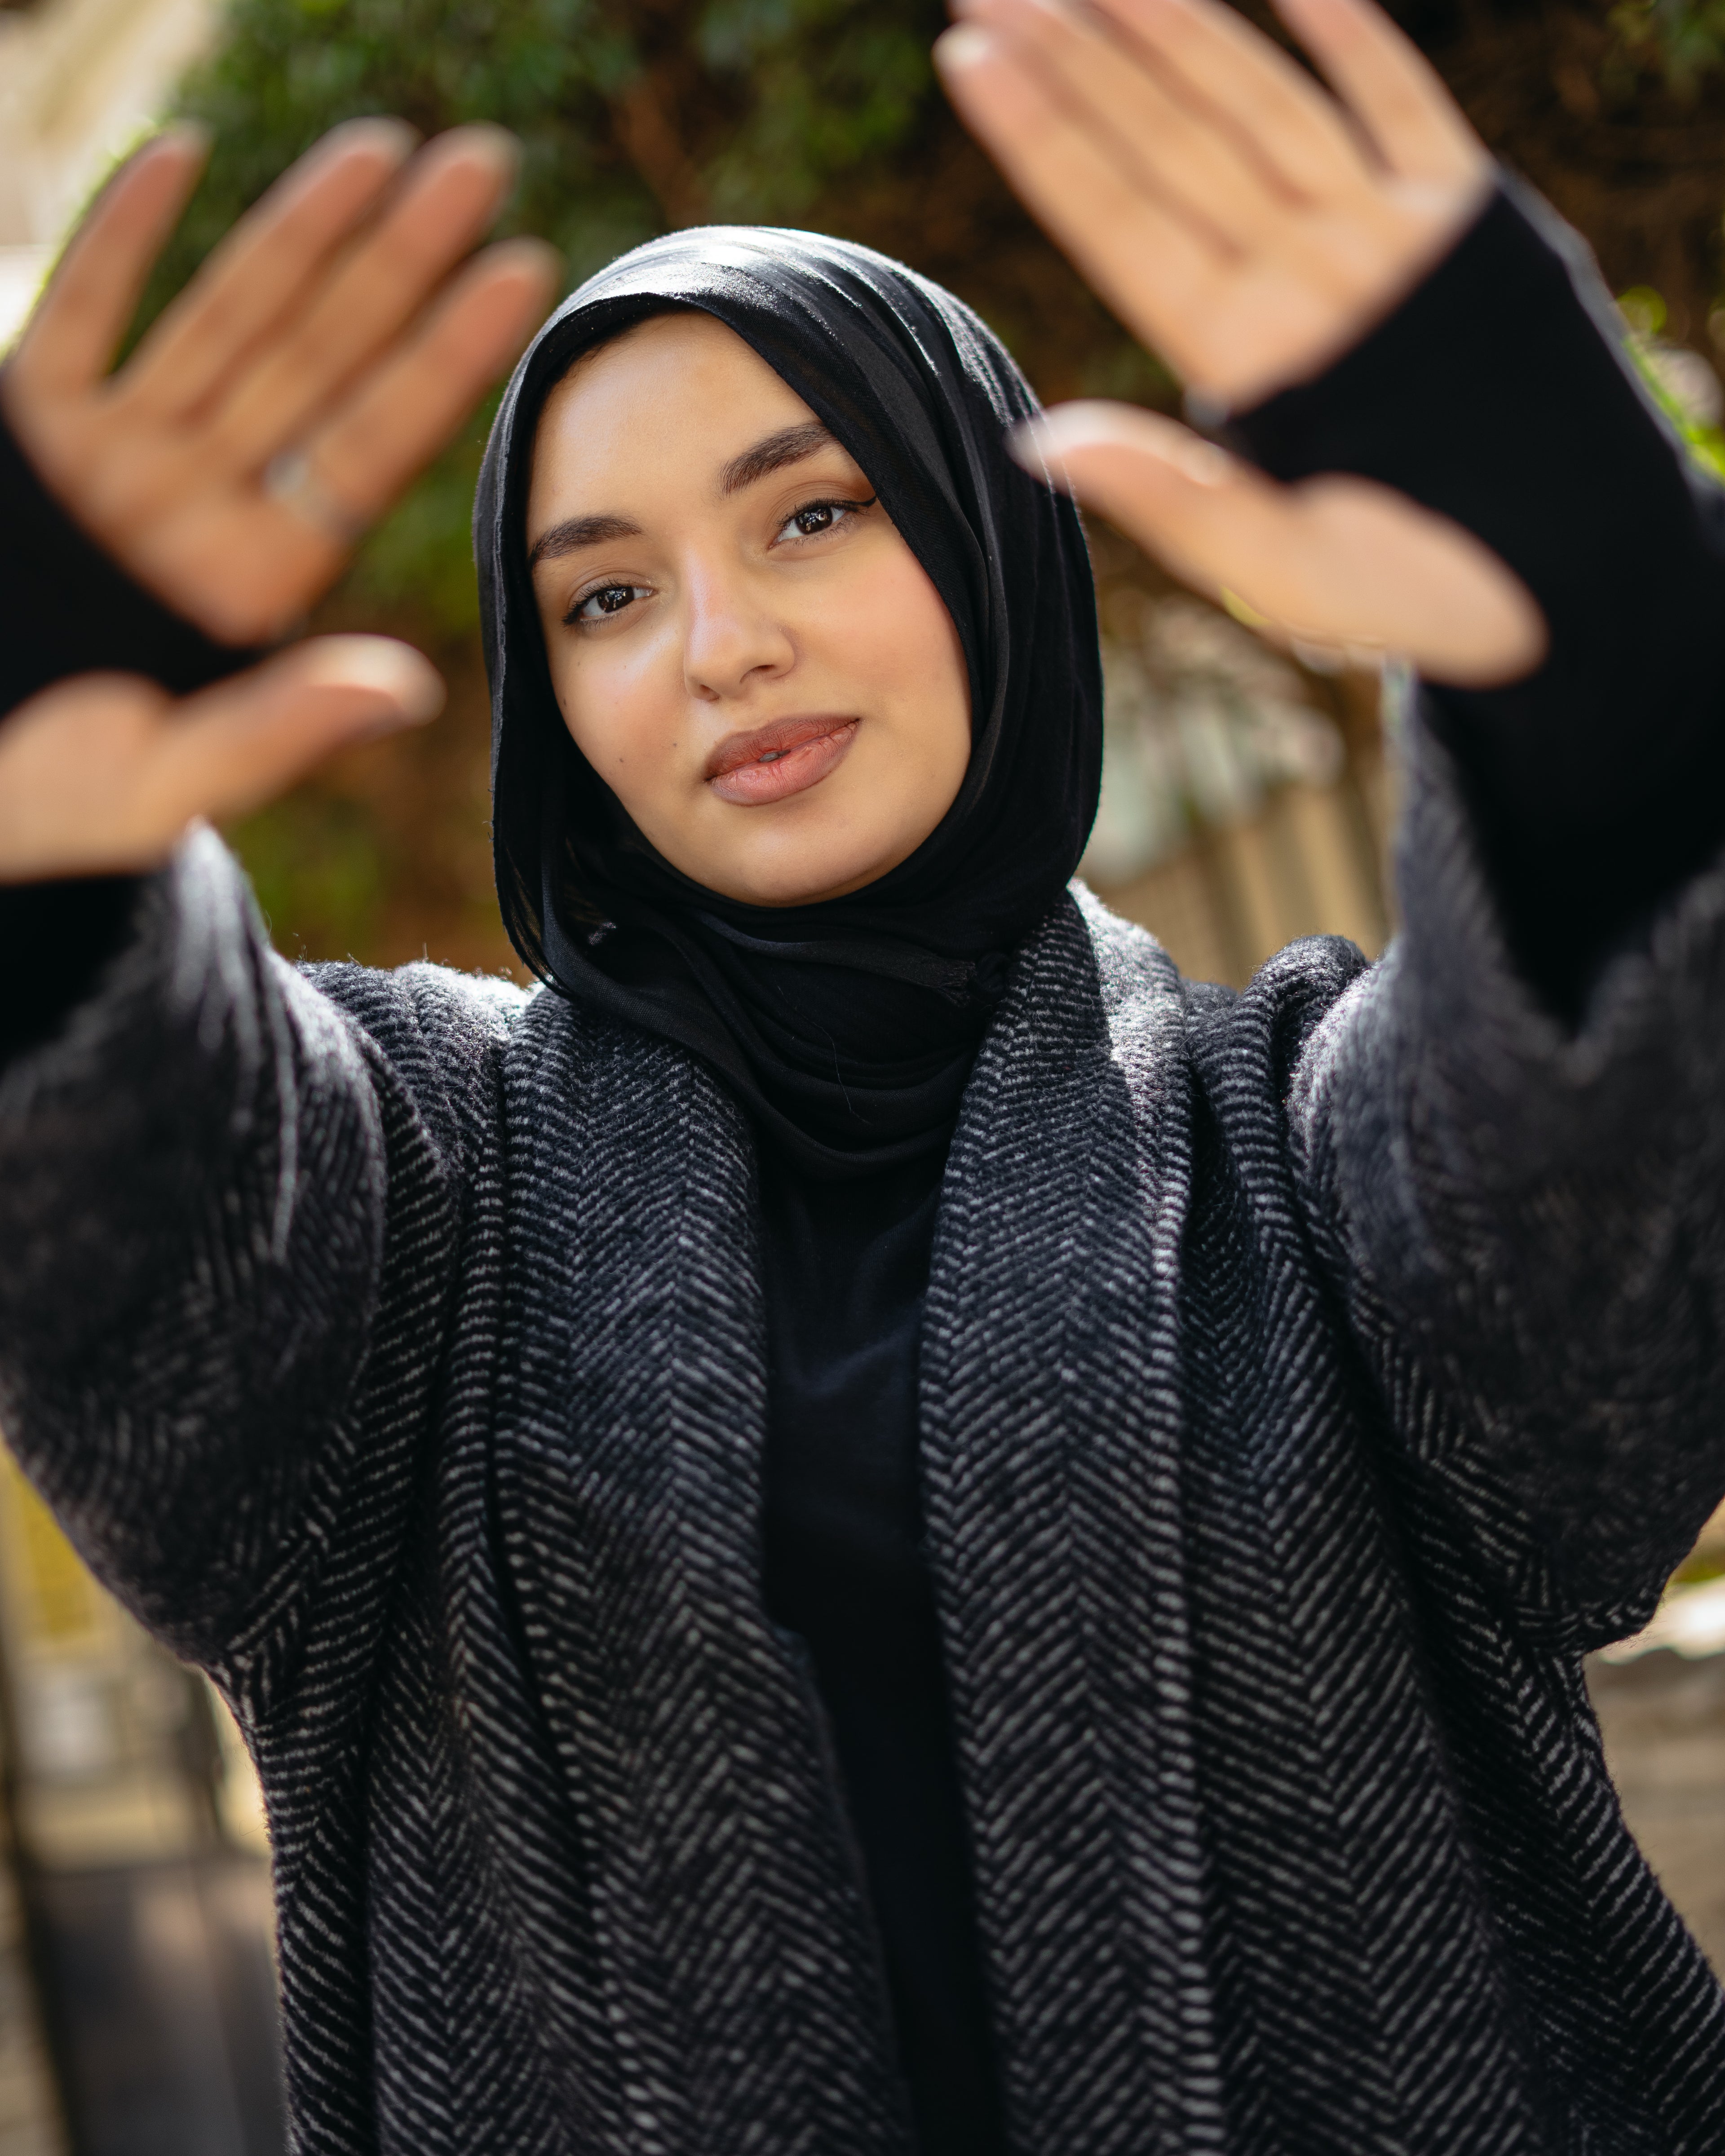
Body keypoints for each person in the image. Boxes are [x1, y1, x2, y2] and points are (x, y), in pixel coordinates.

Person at [4, 0, 1725, 2149]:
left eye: (813, 517)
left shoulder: (1290, 1130)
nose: (721, 643)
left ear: (991, 547)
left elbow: (1588, 1323)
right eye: (606, 592)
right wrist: (45, 881)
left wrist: (1594, 637)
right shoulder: (420, 1194)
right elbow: (147, 1227)